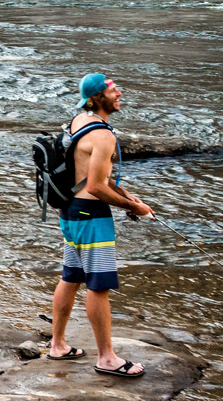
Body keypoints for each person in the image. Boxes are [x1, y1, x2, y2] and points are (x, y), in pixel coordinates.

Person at [48, 72, 154, 378]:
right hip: (91, 217)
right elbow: (96, 186)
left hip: (70, 211)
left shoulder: (79, 121)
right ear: (99, 97)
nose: (119, 93)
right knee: (99, 284)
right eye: (113, 90)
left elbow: (90, 177)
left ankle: (58, 346)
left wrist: (128, 196)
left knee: (71, 276)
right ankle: (107, 358)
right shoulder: (104, 136)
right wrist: (134, 207)